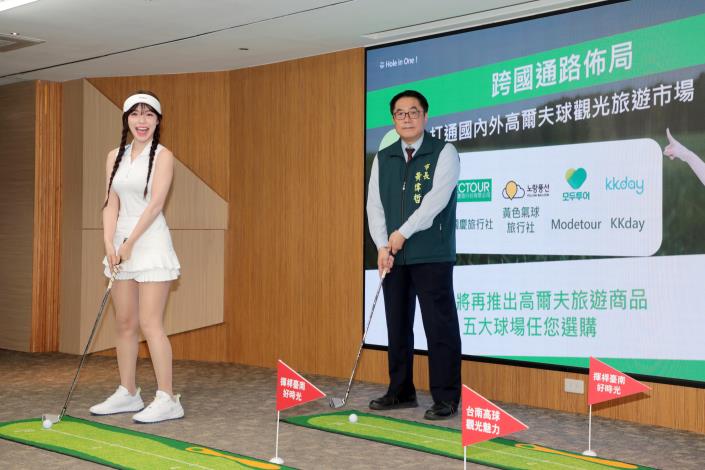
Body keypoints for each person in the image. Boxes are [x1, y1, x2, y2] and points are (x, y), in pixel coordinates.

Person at [366, 89, 462, 420]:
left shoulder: (444, 152)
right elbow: (374, 206)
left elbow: (436, 201)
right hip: (394, 256)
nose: (407, 118)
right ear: (393, 119)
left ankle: (446, 397)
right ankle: (401, 390)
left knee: (439, 327)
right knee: (397, 325)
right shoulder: (384, 157)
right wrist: (382, 245)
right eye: (400, 113)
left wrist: (402, 233)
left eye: (413, 112)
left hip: (431, 253)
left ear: (425, 115)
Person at [90, 91, 184, 423]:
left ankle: (168, 398)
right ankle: (128, 392)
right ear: (126, 119)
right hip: (120, 242)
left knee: (150, 323)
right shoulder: (114, 155)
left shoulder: (164, 156)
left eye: (148, 115)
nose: (141, 121)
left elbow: (156, 203)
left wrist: (130, 243)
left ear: (157, 121)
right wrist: (109, 241)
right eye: (135, 114)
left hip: (150, 241)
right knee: (125, 322)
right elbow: (110, 201)